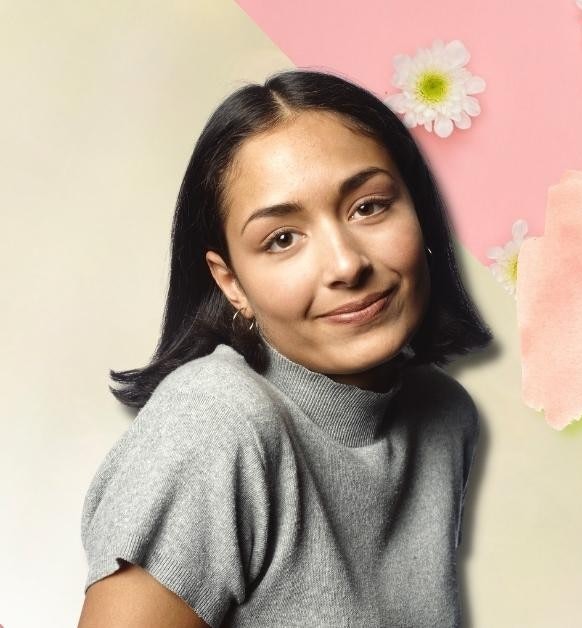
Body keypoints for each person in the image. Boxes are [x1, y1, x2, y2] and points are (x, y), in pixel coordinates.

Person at [76, 70, 492, 627]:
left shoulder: (445, 417)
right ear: (231, 283)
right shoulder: (215, 422)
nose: (347, 265)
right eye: (282, 239)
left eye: (368, 207)